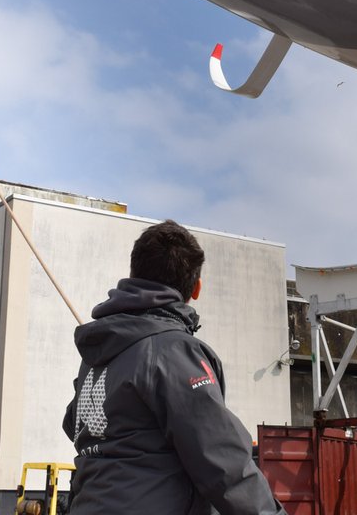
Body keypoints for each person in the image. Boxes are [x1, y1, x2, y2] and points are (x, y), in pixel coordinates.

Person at [64, 220, 284, 515]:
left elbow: (74, 424)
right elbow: (223, 462)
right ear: (196, 288)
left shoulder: (94, 357)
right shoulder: (173, 351)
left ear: (133, 275)